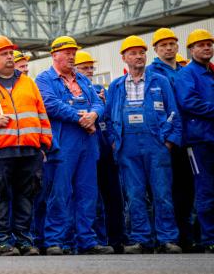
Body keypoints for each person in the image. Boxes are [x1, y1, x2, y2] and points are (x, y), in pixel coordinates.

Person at [0, 35, 50, 256]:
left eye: (11, 53)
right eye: (4, 54)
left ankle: (23, 239)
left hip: (29, 151)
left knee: (26, 197)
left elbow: (42, 115)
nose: (10, 57)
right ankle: (1, 241)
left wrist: (44, 145)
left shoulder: (28, 83)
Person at [104, 36, 181, 253]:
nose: (139, 56)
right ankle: (141, 239)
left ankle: (167, 239)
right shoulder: (117, 86)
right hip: (127, 146)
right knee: (134, 194)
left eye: (142, 52)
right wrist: (113, 141)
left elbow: (174, 113)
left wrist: (169, 142)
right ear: (124, 58)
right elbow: (108, 118)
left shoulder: (160, 81)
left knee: (162, 193)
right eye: (133, 53)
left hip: (156, 144)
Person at [36, 36, 112, 255]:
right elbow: (50, 104)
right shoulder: (45, 79)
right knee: (60, 192)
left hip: (88, 142)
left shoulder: (83, 80)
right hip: (62, 142)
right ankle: (55, 240)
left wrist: (95, 114)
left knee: (87, 192)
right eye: (67, 52)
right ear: (54, 55)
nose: (72, 56)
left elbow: (98, 101)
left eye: (73, 52)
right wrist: (81, 118)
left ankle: (86, 240)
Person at [147, 28, 196, 251]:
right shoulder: (151, 74)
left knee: (189, 189)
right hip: (165, 141)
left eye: (172, 44)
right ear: (156, 49)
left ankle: (188, 236)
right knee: (165, 190)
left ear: (178, 47)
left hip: (189, 139)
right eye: (163, 45)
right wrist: (166, 139)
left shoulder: (185, 70)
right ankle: (167, 237)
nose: (168, 48)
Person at [74, 51, 124, 253]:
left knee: (114, 197)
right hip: (87, 153)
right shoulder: (75, 93)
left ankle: (117, 239)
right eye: (84, 67)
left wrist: (113, 142)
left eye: (90, 67)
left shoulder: (100, 92)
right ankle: (96, 239)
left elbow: (112, 119)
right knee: (91, 200)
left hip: (105, 153)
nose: (89, 71)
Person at [174, 29, 214, 253]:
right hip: (198, 142)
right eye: (201, 45)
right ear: (191, 50)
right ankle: (209, 238)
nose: (207, 48)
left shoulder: (212, 72)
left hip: (211, 138)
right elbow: (189, 102)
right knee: (205, 191)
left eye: (209, 44)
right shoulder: (187, 74)